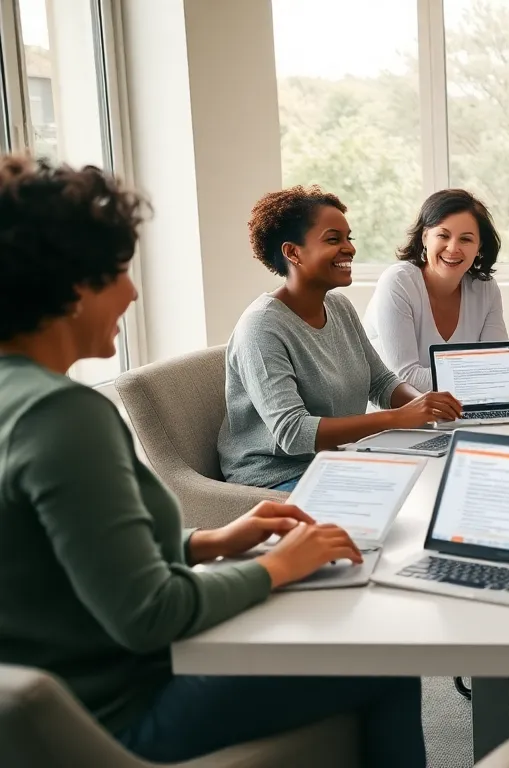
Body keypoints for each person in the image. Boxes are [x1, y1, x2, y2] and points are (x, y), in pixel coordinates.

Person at [0, 156, 425, 766]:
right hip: (120, 716)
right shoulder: (63, 417)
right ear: (71, 286)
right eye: (118, 271)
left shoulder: (22, 404)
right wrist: (277, 567)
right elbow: (152, 614)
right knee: (386, 654)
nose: (132, 291)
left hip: (58, 712)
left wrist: (206, 543)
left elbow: (62, 559)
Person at [219, 186, 463, 491]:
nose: (349, 248)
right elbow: (293, 432)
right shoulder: (261, 328)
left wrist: (427, 408)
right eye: (333, 239)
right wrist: (398, 419)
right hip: (278, 477)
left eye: (349, 238)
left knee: (451, 475)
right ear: (292, 252)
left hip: (339, 460)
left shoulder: (339, 306)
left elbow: (381, 383)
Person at [365, 189, 508, 392]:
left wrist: (485, 374)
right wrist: (477, 375)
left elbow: (498, 363)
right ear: (425, 237)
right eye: (443, 235)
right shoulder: (398, 282)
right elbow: (404, 378)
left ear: (479, 247)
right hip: (399, 415)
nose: (452, 248)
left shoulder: (486, 288)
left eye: (466, 239)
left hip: (462, 409)